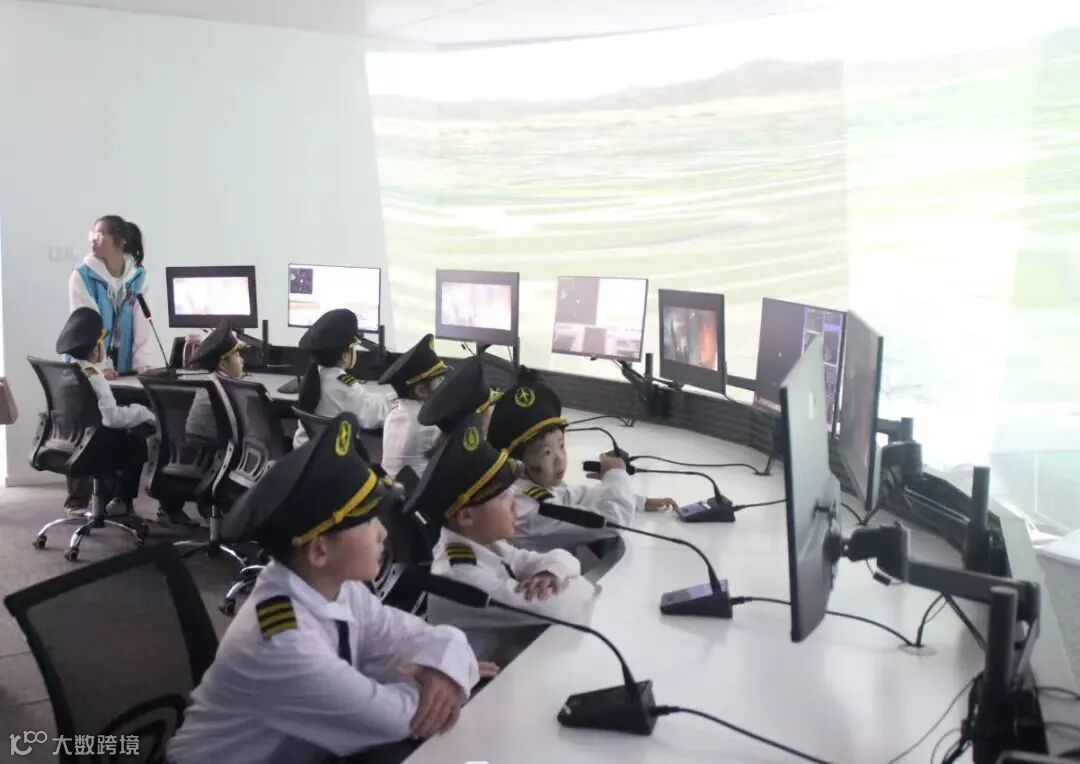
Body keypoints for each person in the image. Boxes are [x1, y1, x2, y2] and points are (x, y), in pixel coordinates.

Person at [168, 412, 487, 764]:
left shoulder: (340, 590)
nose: (383, 532)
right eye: (367, 521)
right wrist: (446, 678)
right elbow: (396, 720)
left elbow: (418, 637)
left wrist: (443, 666)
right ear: (319, 551)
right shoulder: (282, 643)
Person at [410, 416, 598, 660]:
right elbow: (561, 609)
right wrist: (579, 583)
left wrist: (551, 572)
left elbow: (558, 558)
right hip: (488, 683)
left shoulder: (487, 545)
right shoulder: (460, 574)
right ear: (466, 516)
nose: (515, 503)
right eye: (502, 496)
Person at [486, 368, 676, 549]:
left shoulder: (528, 488)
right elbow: (613, 521)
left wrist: (636, 501)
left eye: (561, 446)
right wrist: (617, 474)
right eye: (547, 452)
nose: (559, 459)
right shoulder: (526, 509)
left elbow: (574, 495)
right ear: (516, 463)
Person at [64, 215, 156, 511]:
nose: (93, 238)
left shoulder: (138, 277)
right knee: (89, 423)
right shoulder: (83, 275)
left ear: (120, 240)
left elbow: (143, 323)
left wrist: (144, 364)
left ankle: (122, 497)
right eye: (92, 232)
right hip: (88, 364)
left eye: (100, 233)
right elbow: (86, 324)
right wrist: (102, 365)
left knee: (137, 422)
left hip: (124, 368)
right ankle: (79, 496)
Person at [55, 308, 155, 516]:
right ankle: (121, 500)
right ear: (94, 350)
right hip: (92, 448)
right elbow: (112, 418)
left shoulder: (69, 371)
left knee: (119, 436)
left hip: (69, 443)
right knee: (138, 438)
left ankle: (105, 500)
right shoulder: (93, 374)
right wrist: (144, 412)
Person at [293, 309, 392, 449]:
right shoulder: (344, 386)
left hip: (303, 453)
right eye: (354, 348)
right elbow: (374, 416)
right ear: (345, 355)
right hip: (328, 458)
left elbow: (363, 401)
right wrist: (399, 398)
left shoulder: (314, 376)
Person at [377, 334, 448, 479]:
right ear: (421, 391)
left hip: (392, 486)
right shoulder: (427, 423)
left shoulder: (395, 413)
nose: (445, 384)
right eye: (440, 380)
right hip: (416, 490)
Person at [184, 320, 246, 442]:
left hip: (198, 447)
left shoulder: (209, 382)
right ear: (223, 364)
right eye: (237, 356)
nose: (242, 361)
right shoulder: (228, 388)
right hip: (219, 448)